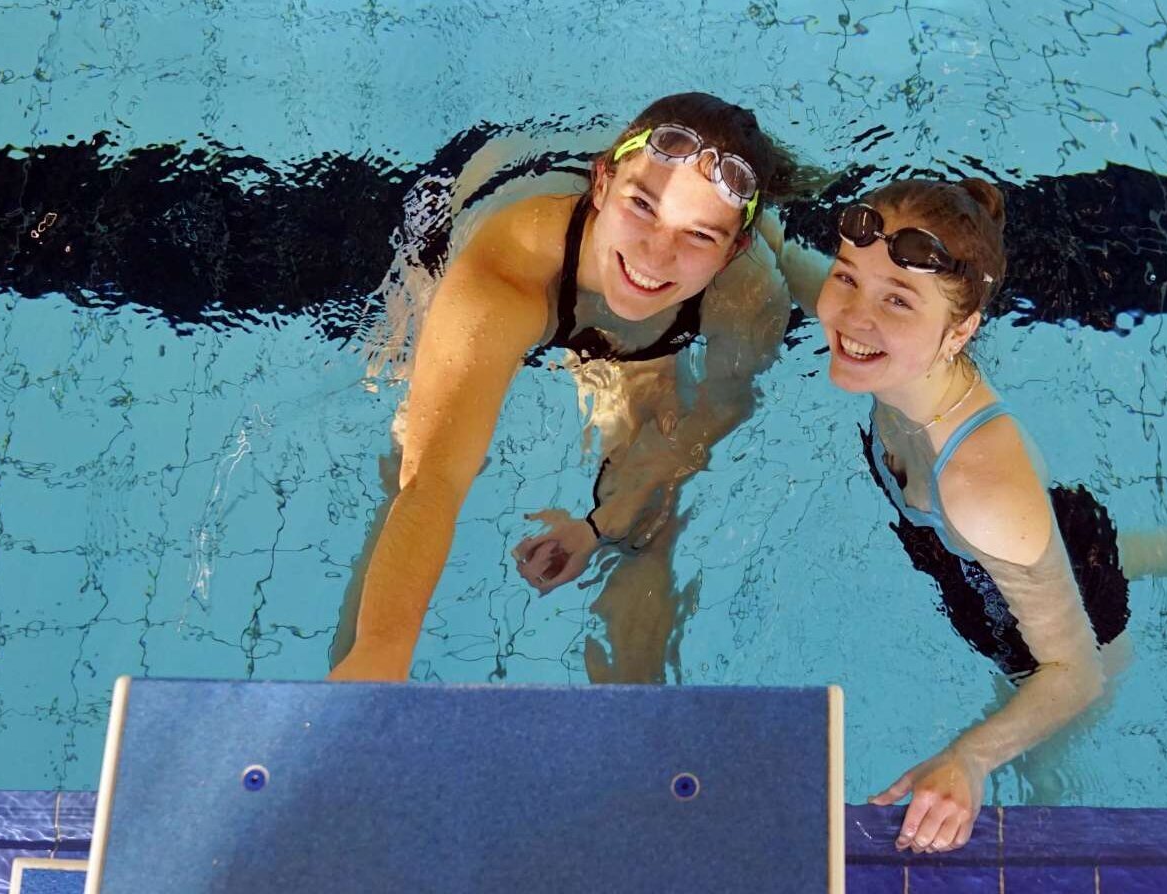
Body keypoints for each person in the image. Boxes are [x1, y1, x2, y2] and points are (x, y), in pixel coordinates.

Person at [810, 178, 1167, 853]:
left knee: (1038, 772)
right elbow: (801, 279)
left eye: (896, 301)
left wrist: (971, 758)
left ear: (960, 331)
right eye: (846, 278)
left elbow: (1074, 671)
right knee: (1112, 552)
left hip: (1064, 634)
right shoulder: (890, 358)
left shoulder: (981, 487)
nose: (853, 317)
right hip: (1046, 534)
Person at [328, 94, 808, 684]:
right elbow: (435, 482)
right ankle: (355, 681)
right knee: (414, 450)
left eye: (700, 235)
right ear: (601, 185)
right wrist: (383, 650)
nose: (657, 255)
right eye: (642, 205)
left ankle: (641, 727)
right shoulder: (508, 266)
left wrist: (606, 521)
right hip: (489, 210)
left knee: (651, 517)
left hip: (649, 316)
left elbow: (717, 413)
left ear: (734, 249)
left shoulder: (749, 296)